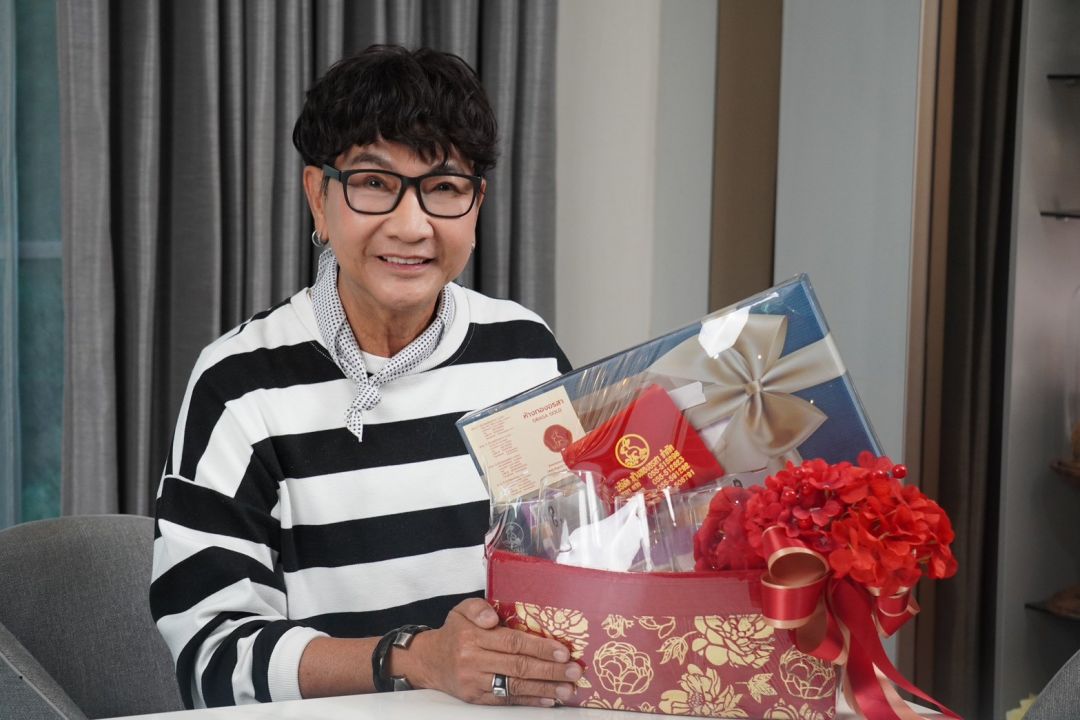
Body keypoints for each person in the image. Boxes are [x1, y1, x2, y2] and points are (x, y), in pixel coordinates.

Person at [150, 45, 578, 710]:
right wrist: (413, 660)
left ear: (477, 204)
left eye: (444, 188)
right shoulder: (239, 385)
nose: (411, 226)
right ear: (318, 198)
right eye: (374, 183)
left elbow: (580, 560)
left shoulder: (524, 353)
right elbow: (211, 655)